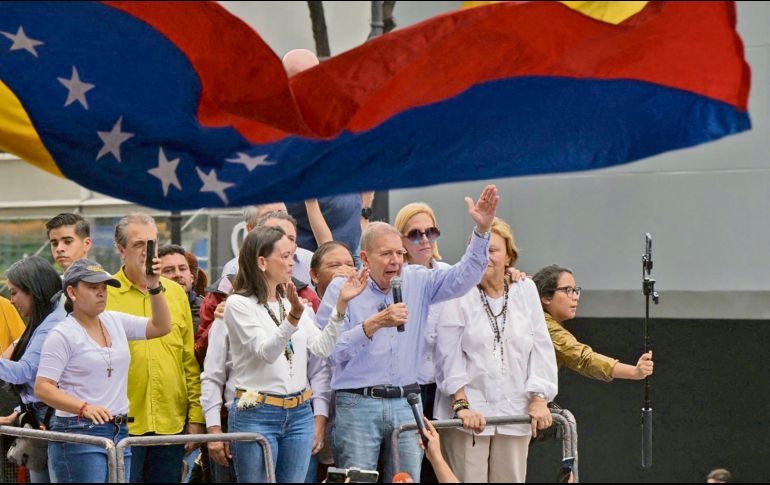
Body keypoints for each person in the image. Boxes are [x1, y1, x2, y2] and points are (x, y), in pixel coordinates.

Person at [316, 185, 500, 481]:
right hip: (358, 403)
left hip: (406, 402)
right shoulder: (342, 289)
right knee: (357, 479)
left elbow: (464, 277)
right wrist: (373, 325)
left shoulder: (418, 280)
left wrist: (481, 230)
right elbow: (327, 351)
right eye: (386, 254)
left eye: (400, 254)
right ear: (364, 257)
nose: (396, 261)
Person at [223, 226, 368, 483]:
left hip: (299, 410)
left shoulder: (289, 302)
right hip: (256, 409)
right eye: (285, 256)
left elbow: (322, 348)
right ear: (262, 262)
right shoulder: (238, 304)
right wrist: (293, 318)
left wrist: (341, 305)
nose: (292, 262)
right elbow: (266, 352)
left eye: (292, 255)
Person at [434, 217, 558, 483]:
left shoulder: (526, 289)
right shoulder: (458, 290)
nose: (484, 257)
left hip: (515, 410)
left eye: (492, 250)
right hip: (468, 415)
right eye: (478, 250)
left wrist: (539, 397)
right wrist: (461, 405)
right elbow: (448, 353)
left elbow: (541, 347)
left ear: (509, 257)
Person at [35, 258, 172, 482]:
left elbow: (162, 326)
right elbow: (42, 388)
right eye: (92, 288)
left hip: (120, 430)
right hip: (78, 431)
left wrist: (154, 286)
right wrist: (83, 407)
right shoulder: (61, 334)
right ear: (72, 292)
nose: (101, 293)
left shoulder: (114, 320)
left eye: (104, 288)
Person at [105, 213, 205, 483]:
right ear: (121, 249)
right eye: (139, 245)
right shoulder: (105, 294)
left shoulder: (174, 293)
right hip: (121, 424)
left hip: (169, 422)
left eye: (153, 243)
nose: (147, 252)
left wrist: (195, 416)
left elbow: (188, 360)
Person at [1, 257, 64, 483]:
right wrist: (19, 412)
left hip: (54, 420)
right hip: (41, 418)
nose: (12, 300)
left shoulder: (52, 325)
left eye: (15, 292)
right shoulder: (45, 320)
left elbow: (24, 371)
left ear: (33, 290)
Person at [532, 265, 654, 382]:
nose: (575, 297)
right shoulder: (543, 324)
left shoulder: (538, 320)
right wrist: (634, 372)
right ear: (546, 297)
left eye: (575, 290)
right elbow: (584, 359)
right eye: (568, 290)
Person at [159, 244, 205, 334]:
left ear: (191, 277)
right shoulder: (148, 311)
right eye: (168, 270)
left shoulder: (207, 311)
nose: (178, 274)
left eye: (182, 269)